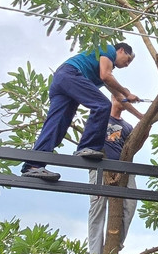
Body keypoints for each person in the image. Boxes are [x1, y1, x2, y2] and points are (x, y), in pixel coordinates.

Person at [22, 43, 139, 181]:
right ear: (121, 50)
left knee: (56, 125)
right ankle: (87, 146)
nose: (127, 65)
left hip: (62, 81)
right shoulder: (109, 50)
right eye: (128, 59)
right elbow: (106, 76)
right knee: (102, 105)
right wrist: (127, 92)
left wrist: (141, 116)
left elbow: (119, 97)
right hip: (71, 74)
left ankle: (33, 165)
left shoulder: (103, 65)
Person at [87, 96, 140, 254]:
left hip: (124, 169)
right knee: (98, 205)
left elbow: (132, 148)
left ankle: (112, 250)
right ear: (113, 97)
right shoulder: (100, 116)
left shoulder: (127, 127)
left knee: (131, 204)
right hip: (100, 166)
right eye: (123, 97)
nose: (126, 101)